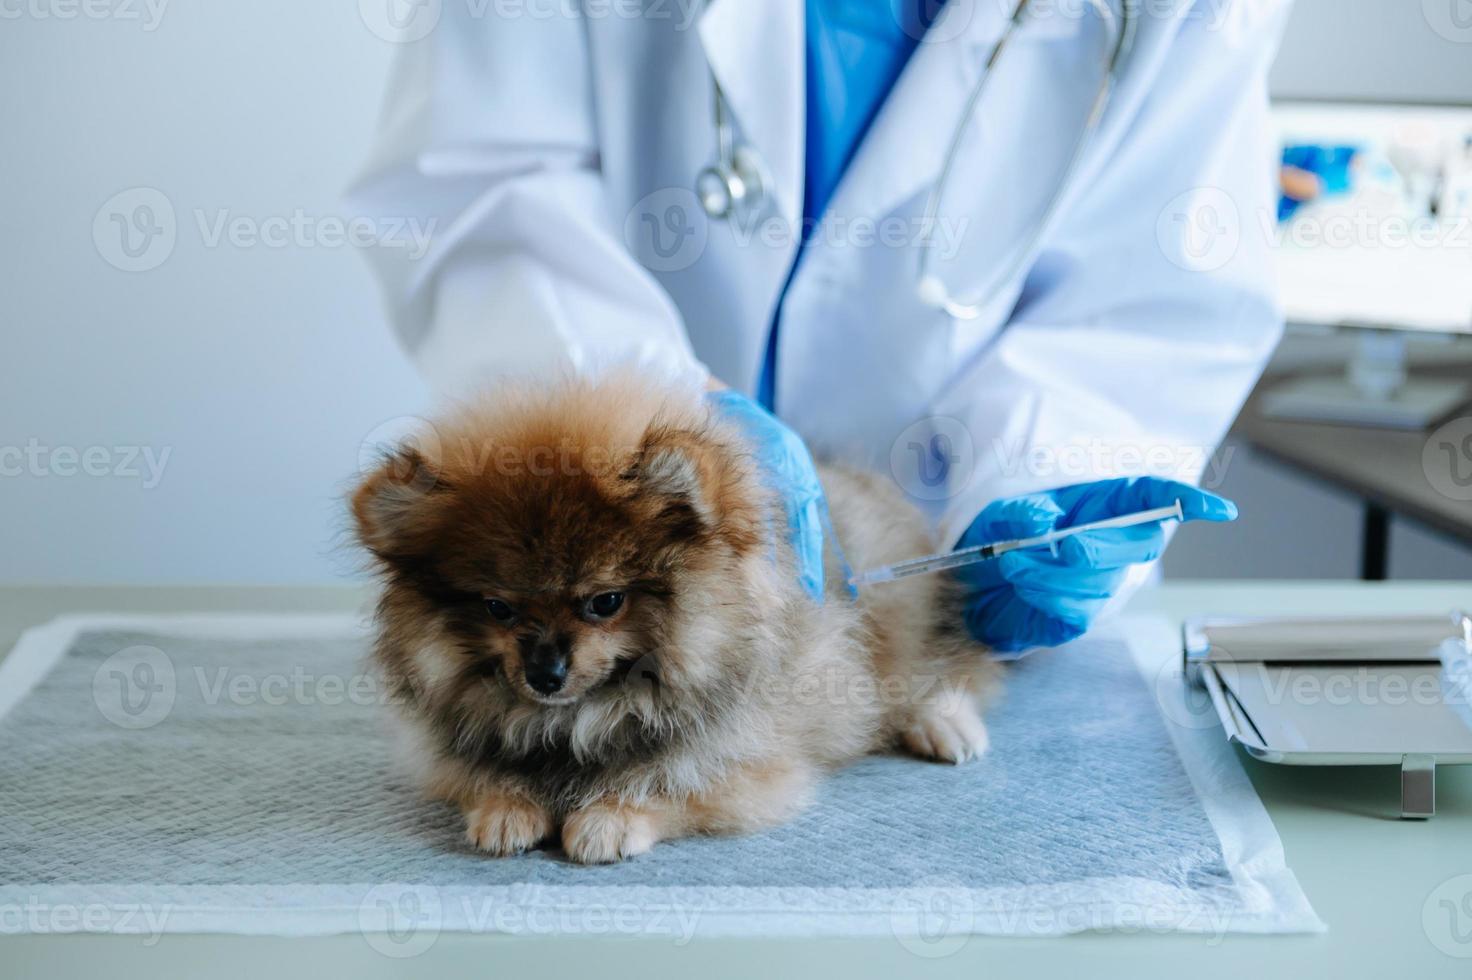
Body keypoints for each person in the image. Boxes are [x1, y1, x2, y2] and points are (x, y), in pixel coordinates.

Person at [349, 0, 1289, 656]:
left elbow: (1152, 294)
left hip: (958, 609)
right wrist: (652, 416)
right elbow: (477, 189)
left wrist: (1042, 472)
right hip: (654, 588)